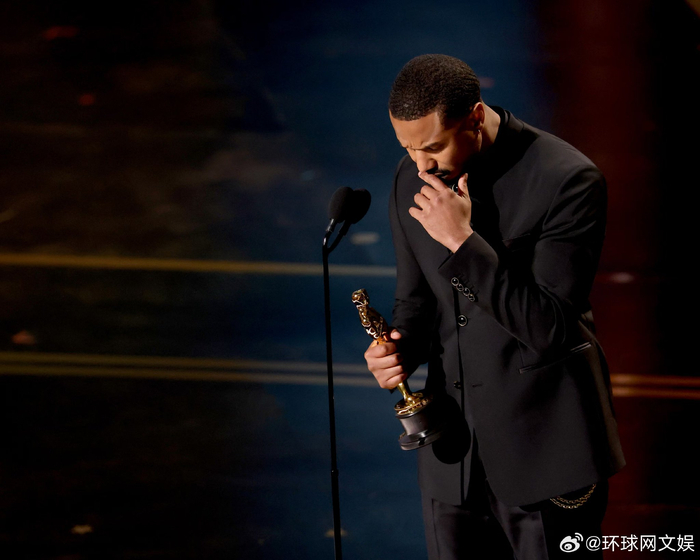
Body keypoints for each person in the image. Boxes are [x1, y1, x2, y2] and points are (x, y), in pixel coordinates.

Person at [363, 54, 625, 559]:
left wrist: (463, 242)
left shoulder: (567, 180)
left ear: (475, 118)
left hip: (547, 457)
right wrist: (397, 350)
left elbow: (549, 329)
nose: (420, 165)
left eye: (432, 146)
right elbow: (415, 303)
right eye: (407, 147)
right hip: (452, 457)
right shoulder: (409, 178)